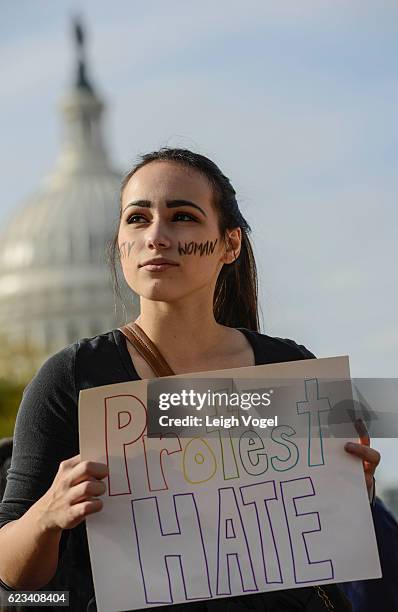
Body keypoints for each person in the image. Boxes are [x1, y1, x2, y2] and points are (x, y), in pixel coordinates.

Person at [0, 148, 380, 611]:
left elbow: (324, 541)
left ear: (230, 244)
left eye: (182, 216)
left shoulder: (287, 367)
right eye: (137, 219)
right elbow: (15, 577)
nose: (157, 236)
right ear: (119, 242)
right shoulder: (73, 379)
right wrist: (49, 513)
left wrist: (350, 487)